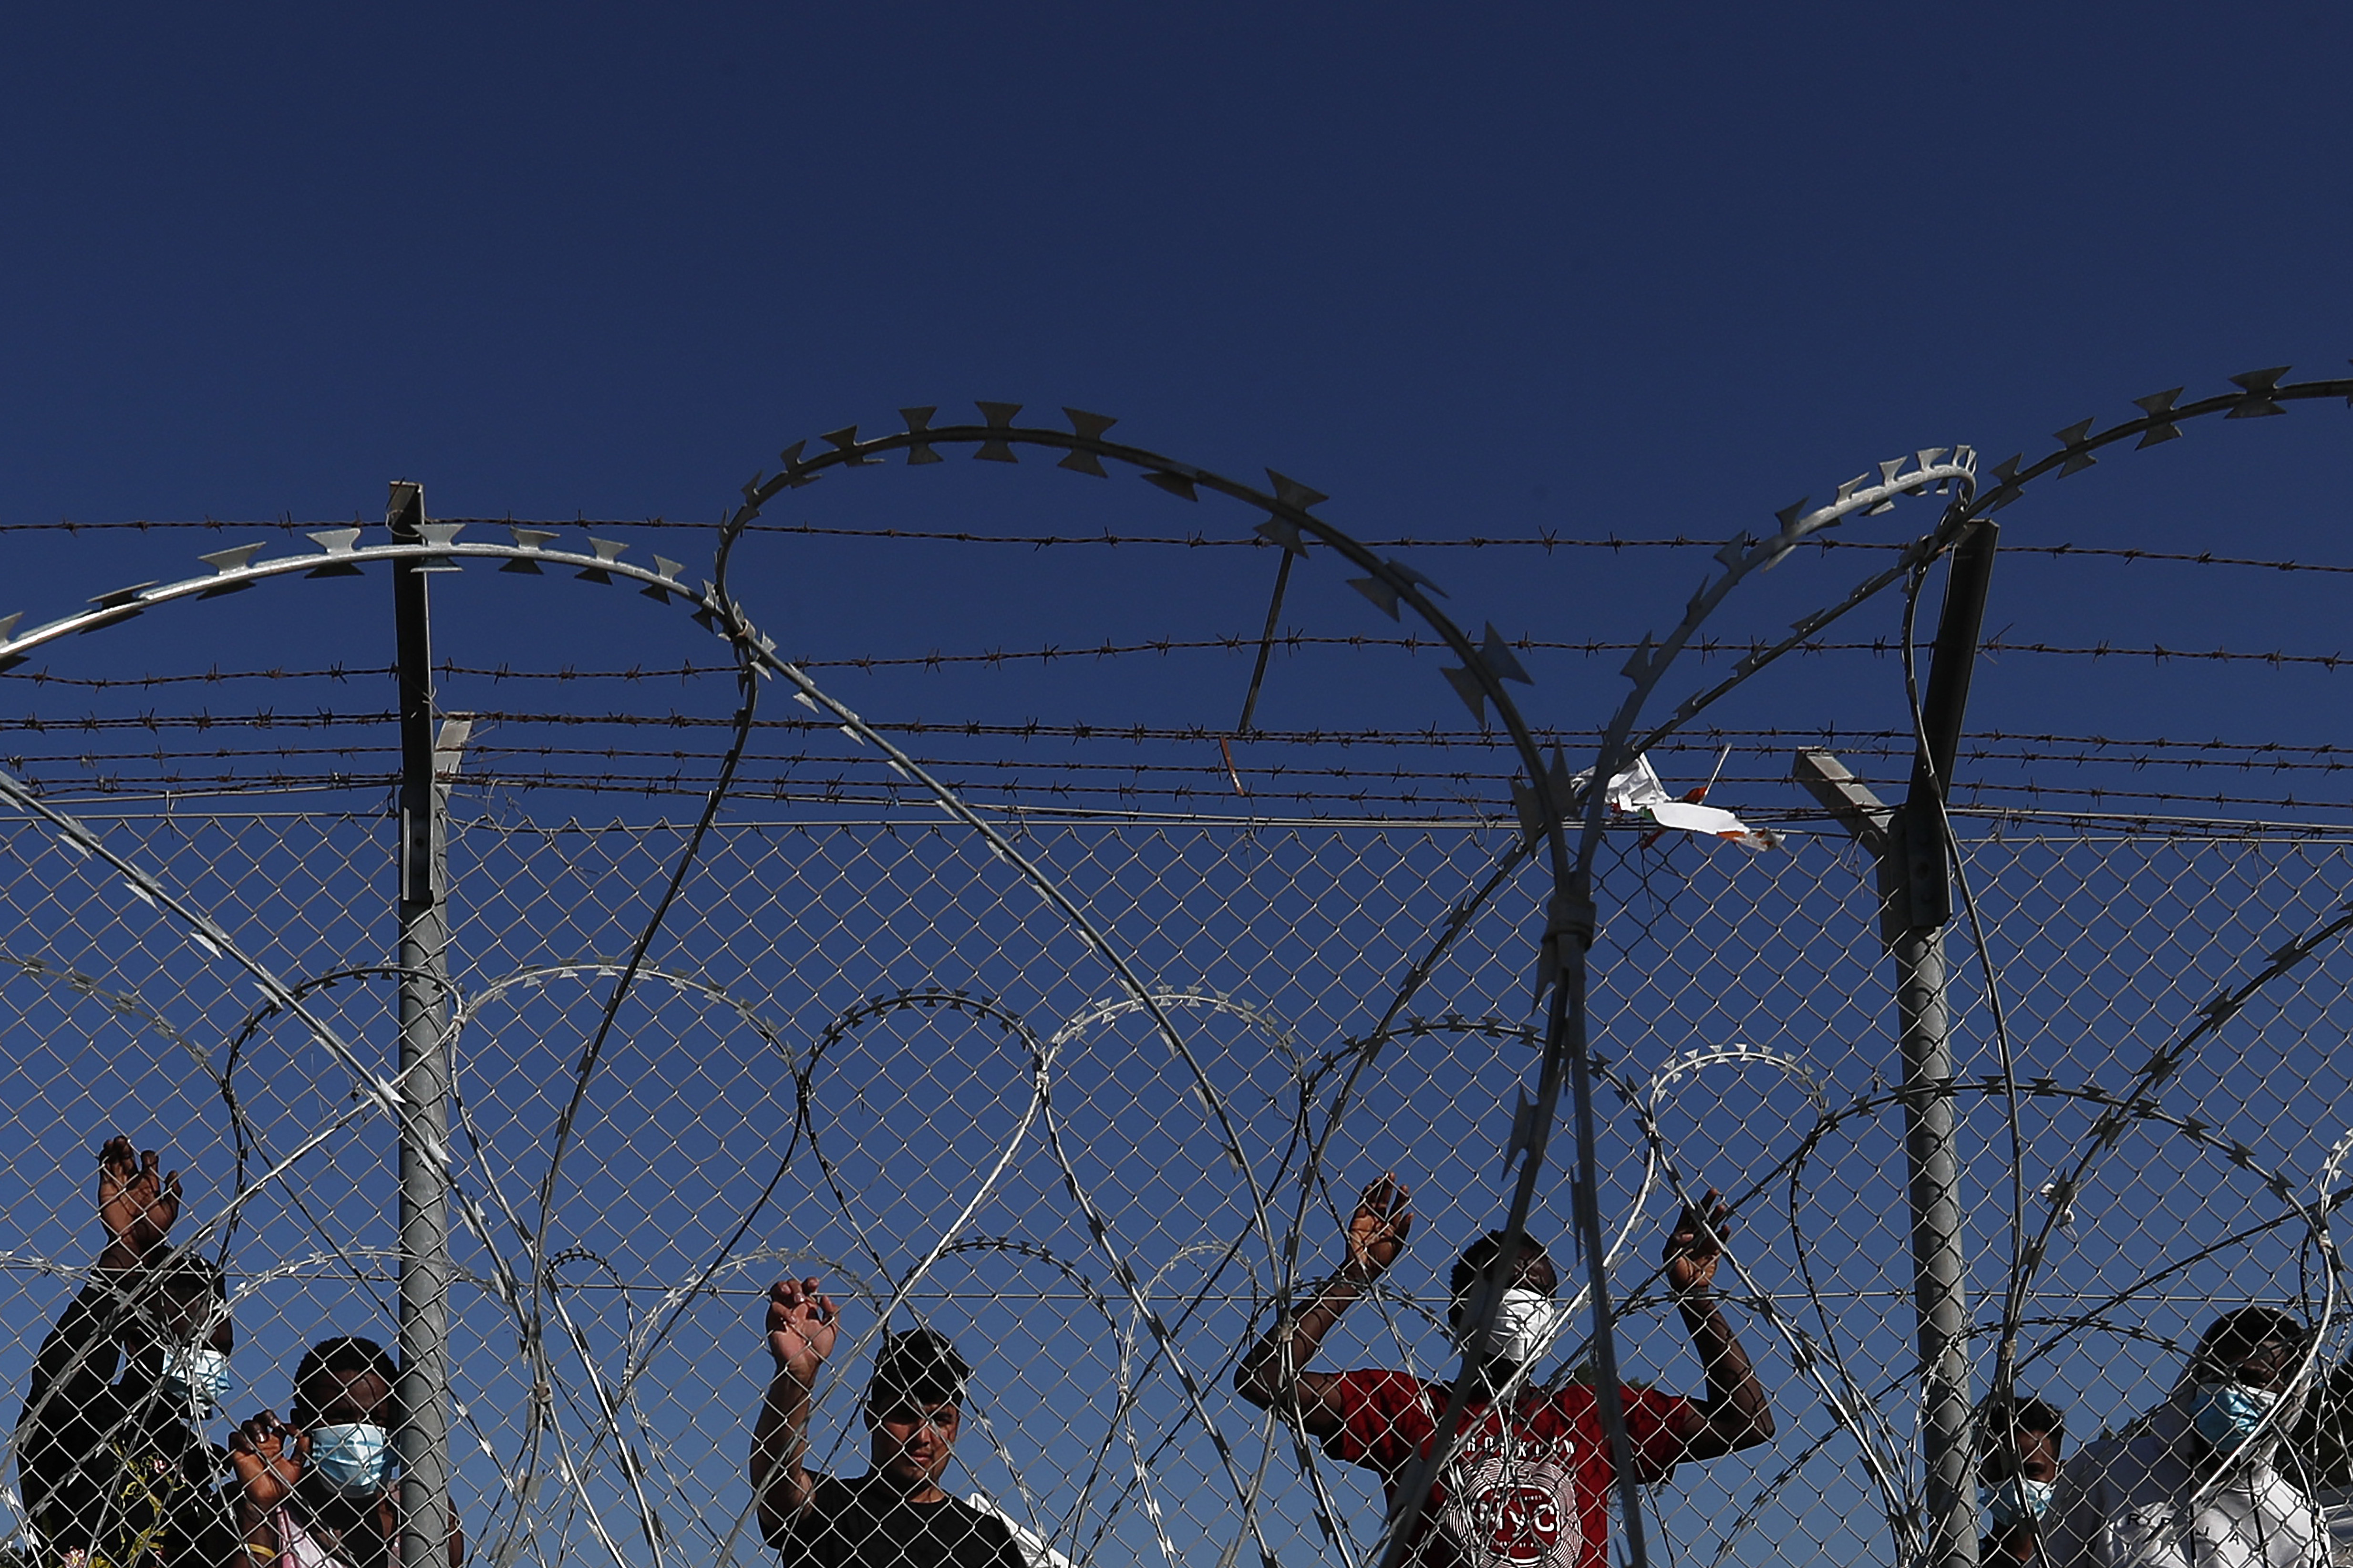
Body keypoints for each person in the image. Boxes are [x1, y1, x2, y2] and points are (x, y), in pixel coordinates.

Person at [1235, 1174, 1775, 1568]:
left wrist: (1694, 1298)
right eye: (1503, 1285)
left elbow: (1747, 1423)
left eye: (1539, 1291)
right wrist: (1353, 1275)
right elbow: (1266, 1380)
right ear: (1459, 1313)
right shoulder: (1410, 1408)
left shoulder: (1592, 1412)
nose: (1523, 1301)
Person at [15, 1135, 241, 1568]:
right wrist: (123, 1254)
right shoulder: (82, 1428)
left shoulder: (196, 1461)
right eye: (193, 1343)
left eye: (220, 1349)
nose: (209, 1361)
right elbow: (62, 1381)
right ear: (139, 1341)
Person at [747, 1279, 1025, 1567]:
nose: (923, 1436)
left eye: (940, 1419)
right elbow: (776, 1480)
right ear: (872, 1418)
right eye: (905, 1415)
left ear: (957, 1428)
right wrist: (797, 1378)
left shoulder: (986, 1539)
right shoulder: (831, 1509)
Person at [2047, 1306, 2323, 1568]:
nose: (2231, 1389)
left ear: (2288, 1398)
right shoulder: (2107, 1469)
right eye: (2217, 1374)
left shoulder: (2299, 1519)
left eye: (2253, 1381)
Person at [227, 1336, 464, 1568]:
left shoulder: (424, 1510)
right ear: (303, 1425)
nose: (359, 1434)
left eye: (376, 1420)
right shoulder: (267, 1513)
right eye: (340, 1418)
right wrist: (258, 1509)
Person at [1978, 1393, 2066, 1566]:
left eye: (2032, 1471)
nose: (2016, 1484)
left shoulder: (2077, 1560)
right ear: (1981, 1476)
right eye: (2002, 1471)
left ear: (2059, 1475)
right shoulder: (1961, 1562)